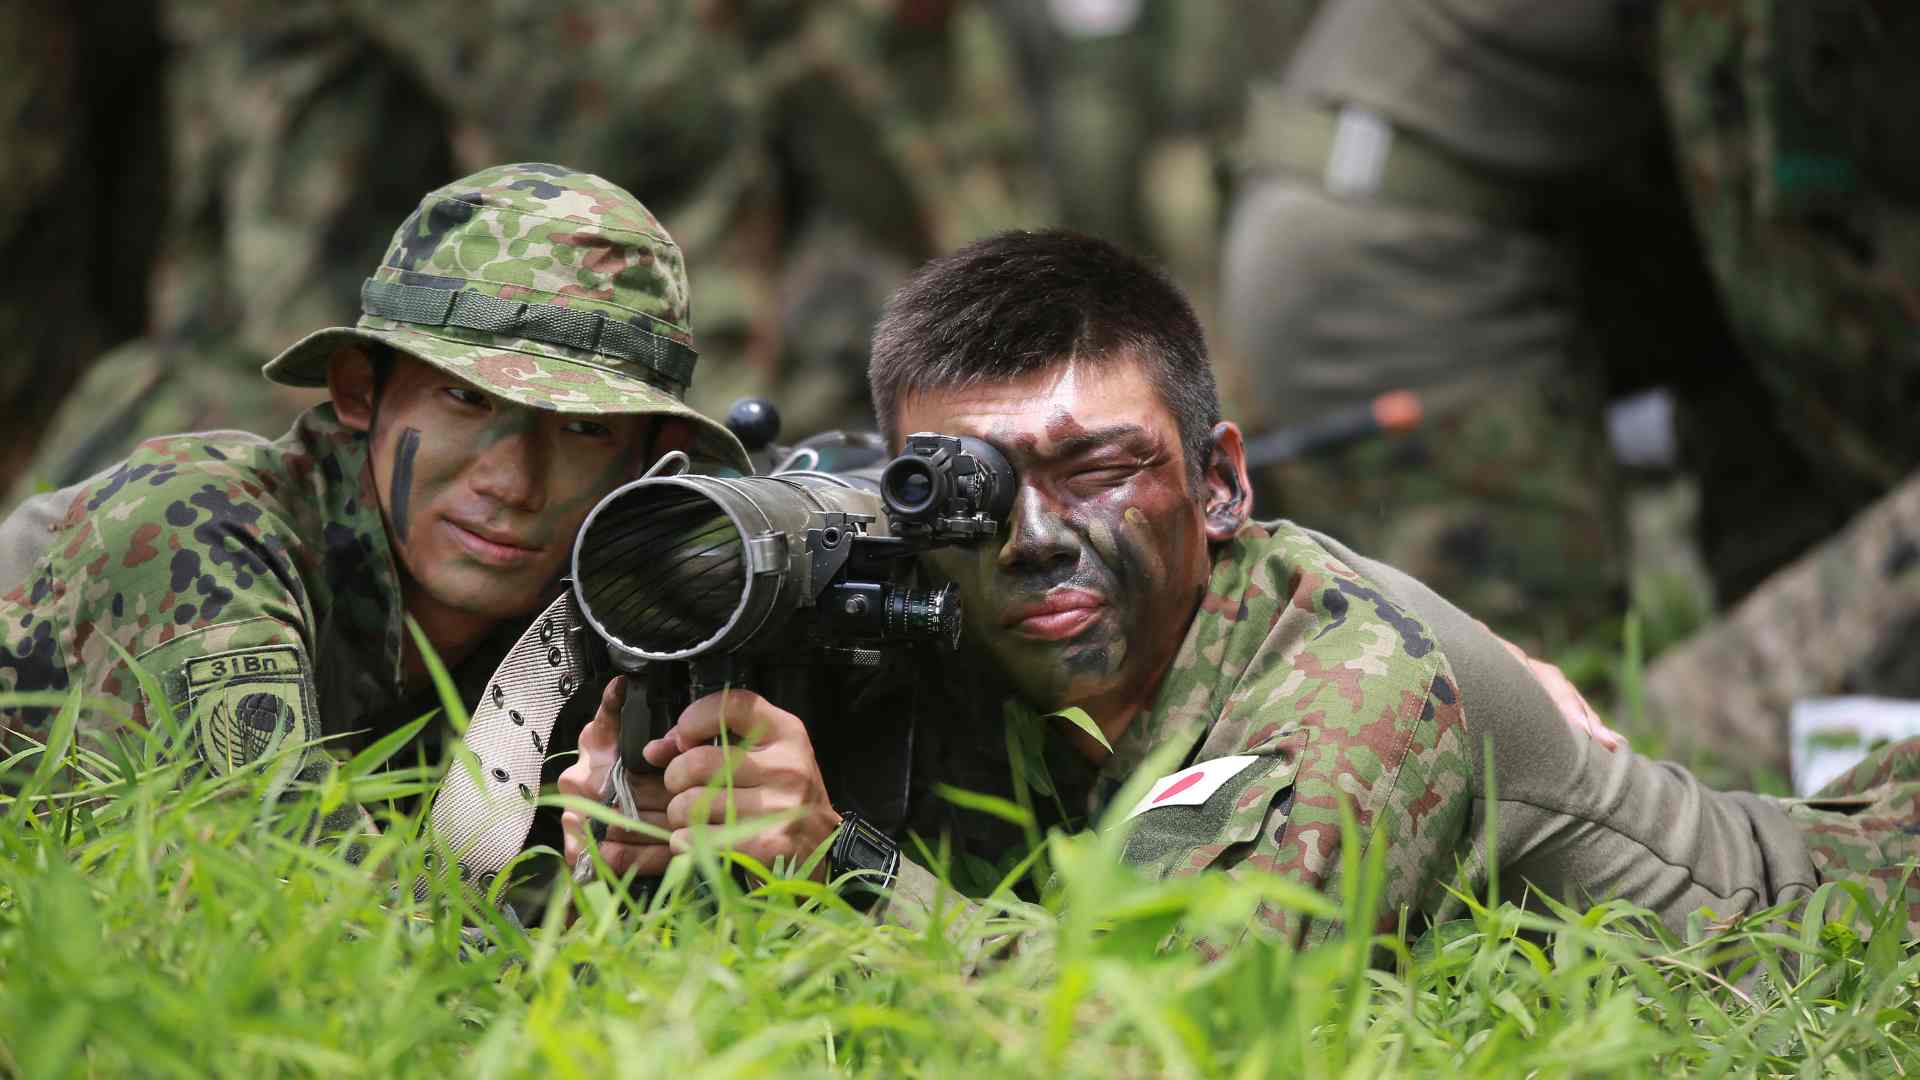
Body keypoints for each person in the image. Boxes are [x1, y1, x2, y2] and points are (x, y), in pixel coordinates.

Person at [556, 229, 1920, 947]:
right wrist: (652, 832)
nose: (1031, 535)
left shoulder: (1354, 686)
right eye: (964, 489)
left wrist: (840, 871)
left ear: (1219, 484)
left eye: (1096, 468)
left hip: (1853, 900)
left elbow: (1184, 1026)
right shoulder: (988, 623)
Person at [0, 164, 749, 799]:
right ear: (361, 389)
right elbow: (282, 888)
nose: (513, 484)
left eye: (585, 430)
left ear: (652, 459)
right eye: (467, 399)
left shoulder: (596, 630)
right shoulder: (195, 528)